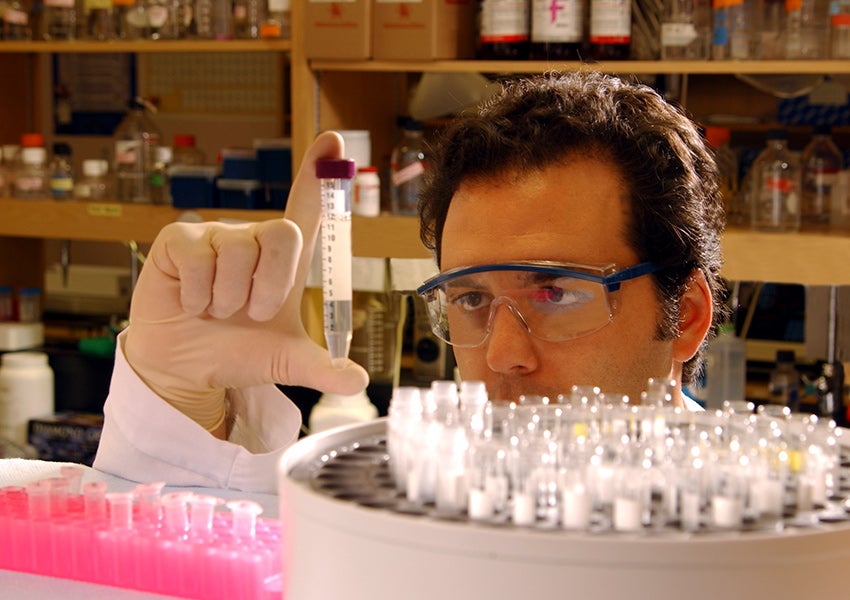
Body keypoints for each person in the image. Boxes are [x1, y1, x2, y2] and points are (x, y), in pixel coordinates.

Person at [92, 70, 725, 493]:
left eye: (554, 292)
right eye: (472, 299)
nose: (502, 355)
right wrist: (180, 415)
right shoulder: (405, 504)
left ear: (687, 316)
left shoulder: (782, 550)